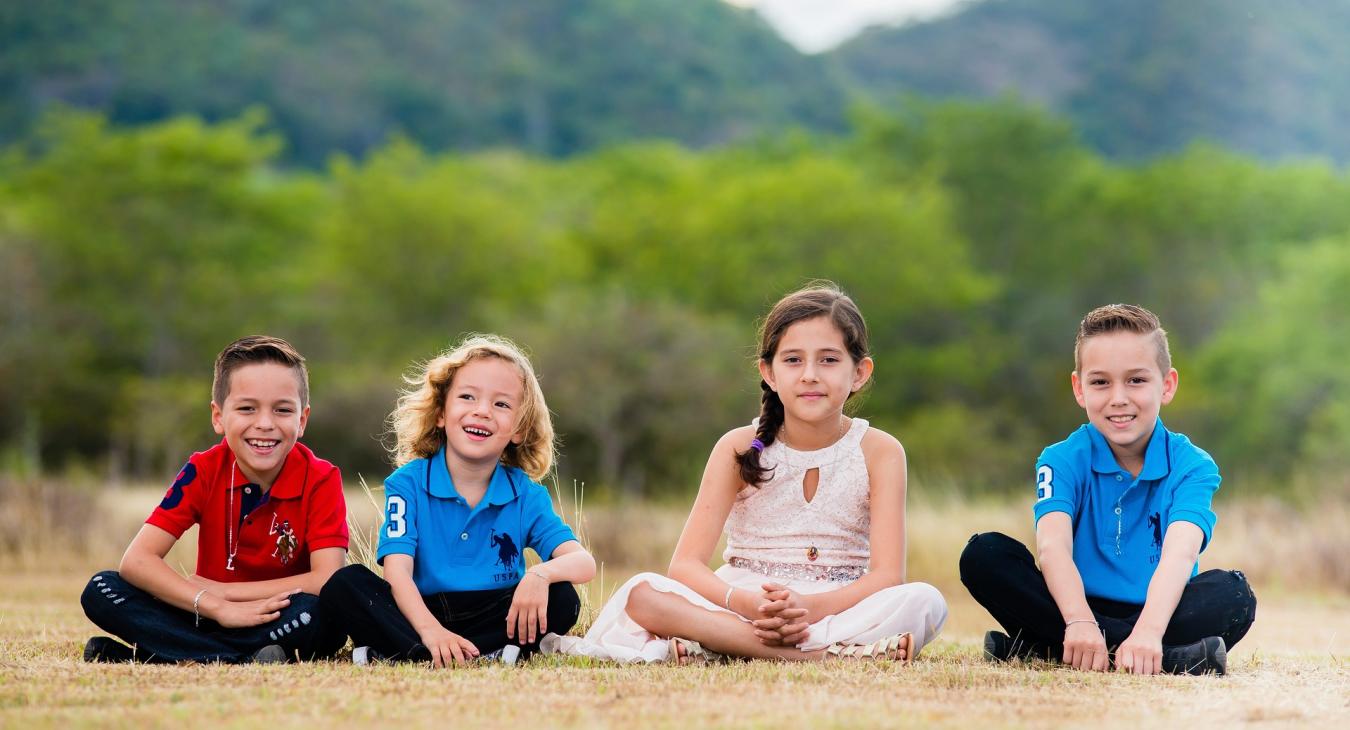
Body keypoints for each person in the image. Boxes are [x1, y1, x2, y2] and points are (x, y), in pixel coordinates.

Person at [546, 283, 947, 663]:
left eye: (828, 359)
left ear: (858, 372)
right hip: (743, 602)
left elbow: (887, 576)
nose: (810, 374)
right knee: (643, 594)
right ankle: (822, 656)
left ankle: (723, 646)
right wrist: (745, 603)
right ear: (769, 373)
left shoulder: (880, 451)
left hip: (837, 604)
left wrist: (809, 608)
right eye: (793, 360)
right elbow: (685, 565)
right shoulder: (738, 446)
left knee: (925, 602)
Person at [961, 304, 1257, 675]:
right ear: (1079, 389)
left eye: (1136, 380)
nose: (1119, 398)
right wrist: (1080, 623)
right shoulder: (1060, 459)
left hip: (1158, 611)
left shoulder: (1194, 465)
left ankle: (1048, 649)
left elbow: (1180, 556)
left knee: (1235, 596)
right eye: (1101, 382)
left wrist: (1148, 631)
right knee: (984, 555)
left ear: (1167, 385)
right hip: (1071, 606)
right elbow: (1052, 549)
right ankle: (1165, 657)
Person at [319, 334, 595, 667]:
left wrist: (540, 576)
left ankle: (416, 652)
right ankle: (432, 650)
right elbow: (397, 573)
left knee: (563, 597)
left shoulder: (526, 494)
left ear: (519, 429)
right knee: (344, 585)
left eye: (501, 404)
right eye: (467, 397)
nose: (482, 412)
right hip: (418, 611)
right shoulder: (407, 484)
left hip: (493, 612)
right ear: (440, 413)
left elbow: (583, 563)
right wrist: (432, 631)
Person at [81, 335, 349, 663]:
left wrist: (228, 593)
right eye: (247, 408)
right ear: (218, 417)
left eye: (282, 410)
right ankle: (233, 658)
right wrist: (215, 606)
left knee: (319, 615)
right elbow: (137, 561)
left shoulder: (321, 478)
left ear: (302, 420)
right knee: (102, 589)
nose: (265, 424)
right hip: (205, 616)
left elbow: (326, 579)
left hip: (278, 618)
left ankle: (166, 654)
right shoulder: (203, 470)